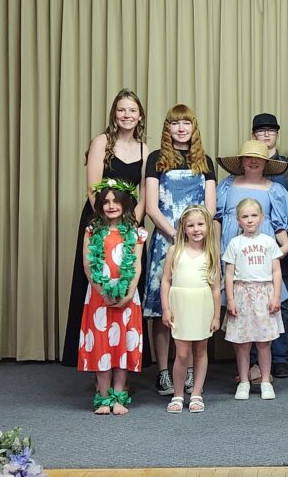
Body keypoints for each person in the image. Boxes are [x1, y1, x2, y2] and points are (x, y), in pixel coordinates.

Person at [62, 89, 151, 368]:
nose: (127, 115)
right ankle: (95, 355)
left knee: (128, 283)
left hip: (130, 223)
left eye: (132, 111)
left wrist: (130, 224)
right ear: (115, 113)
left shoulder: (144, 150)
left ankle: (125, 358)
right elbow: (93, 189)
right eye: (122, 110)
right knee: (97, 284)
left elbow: (145, 193)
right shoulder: (102, 142)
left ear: (140, 116)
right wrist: (108, 220)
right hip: (99, 220)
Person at [143, 104, 217, 396]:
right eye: (175, 124)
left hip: (199, 239)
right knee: (165, 307)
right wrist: (177, 235)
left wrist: (196, 236)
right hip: (167, 240)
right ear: (168, 129)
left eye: (186, 123)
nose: (181, 128)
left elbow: (209, 208)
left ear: (193, 127)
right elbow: (151, 206)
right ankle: (163, 371)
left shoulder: (205, 161)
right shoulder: (156, 159)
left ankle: (187, 373)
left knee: (195, 303)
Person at [215, 138, 288, 384]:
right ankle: (245, 366)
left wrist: (276, 254)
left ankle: (267, 363)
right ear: (241, 162)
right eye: (248, 158)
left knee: (266, 306)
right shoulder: (227, 185)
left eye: (258, 158)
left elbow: (281, 226)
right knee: (238, 306)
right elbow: (216, 218)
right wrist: (217, 248)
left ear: (265, 163)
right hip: (232, 253)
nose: (253, 162)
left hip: (260, 256)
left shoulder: (274, 190)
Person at [249, 113, 288, 378]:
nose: (266, 135)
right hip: (249, 245)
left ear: (277, 134)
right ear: (254, 135)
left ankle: (280, 356)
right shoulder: (246, 164)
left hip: (281, 245)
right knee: (250, 299)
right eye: (260, 131)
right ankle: (252, 358)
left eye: (270, 131)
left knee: (281, 303)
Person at [78, 178, 147, 415]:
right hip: (99, 296)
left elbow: (136, 265)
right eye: (106, 202)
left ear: (125, 203)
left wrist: (128, 294)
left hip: (127, 295)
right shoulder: (92, 230)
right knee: (102, 344)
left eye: (116, 201)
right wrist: (100, 292)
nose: (110, 206)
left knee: (122, 346)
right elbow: (88, 265)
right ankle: (103, 396)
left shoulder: (135, 232)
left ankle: (119, 395)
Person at [160, 206, 221, 413]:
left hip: (202, 304)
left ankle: (196, 393)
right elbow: (166, 281)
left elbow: (215, 288)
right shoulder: (174, 251)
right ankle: (178, 394)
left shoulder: (211, 253)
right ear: (183, 228)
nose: (196, 229)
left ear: (208, 227)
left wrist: (216, 316)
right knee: (182, 353)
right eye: (191, 225)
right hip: (180, 305)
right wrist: (166, 308)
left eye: (200, 224)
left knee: (200, 350)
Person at [223, 199, 284, 401]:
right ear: (238, 220)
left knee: (264, 342)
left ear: (262, 217)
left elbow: (276, 271)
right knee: (243, 343)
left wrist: (276, 296)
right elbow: (229, 274)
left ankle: (265, 381)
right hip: (242, 295)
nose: (250, 220)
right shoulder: (235, 243)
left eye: (254, 215)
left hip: (264, 295)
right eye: (245, 216)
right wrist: (230, 300)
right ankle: (243, 381)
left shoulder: (268, 241)